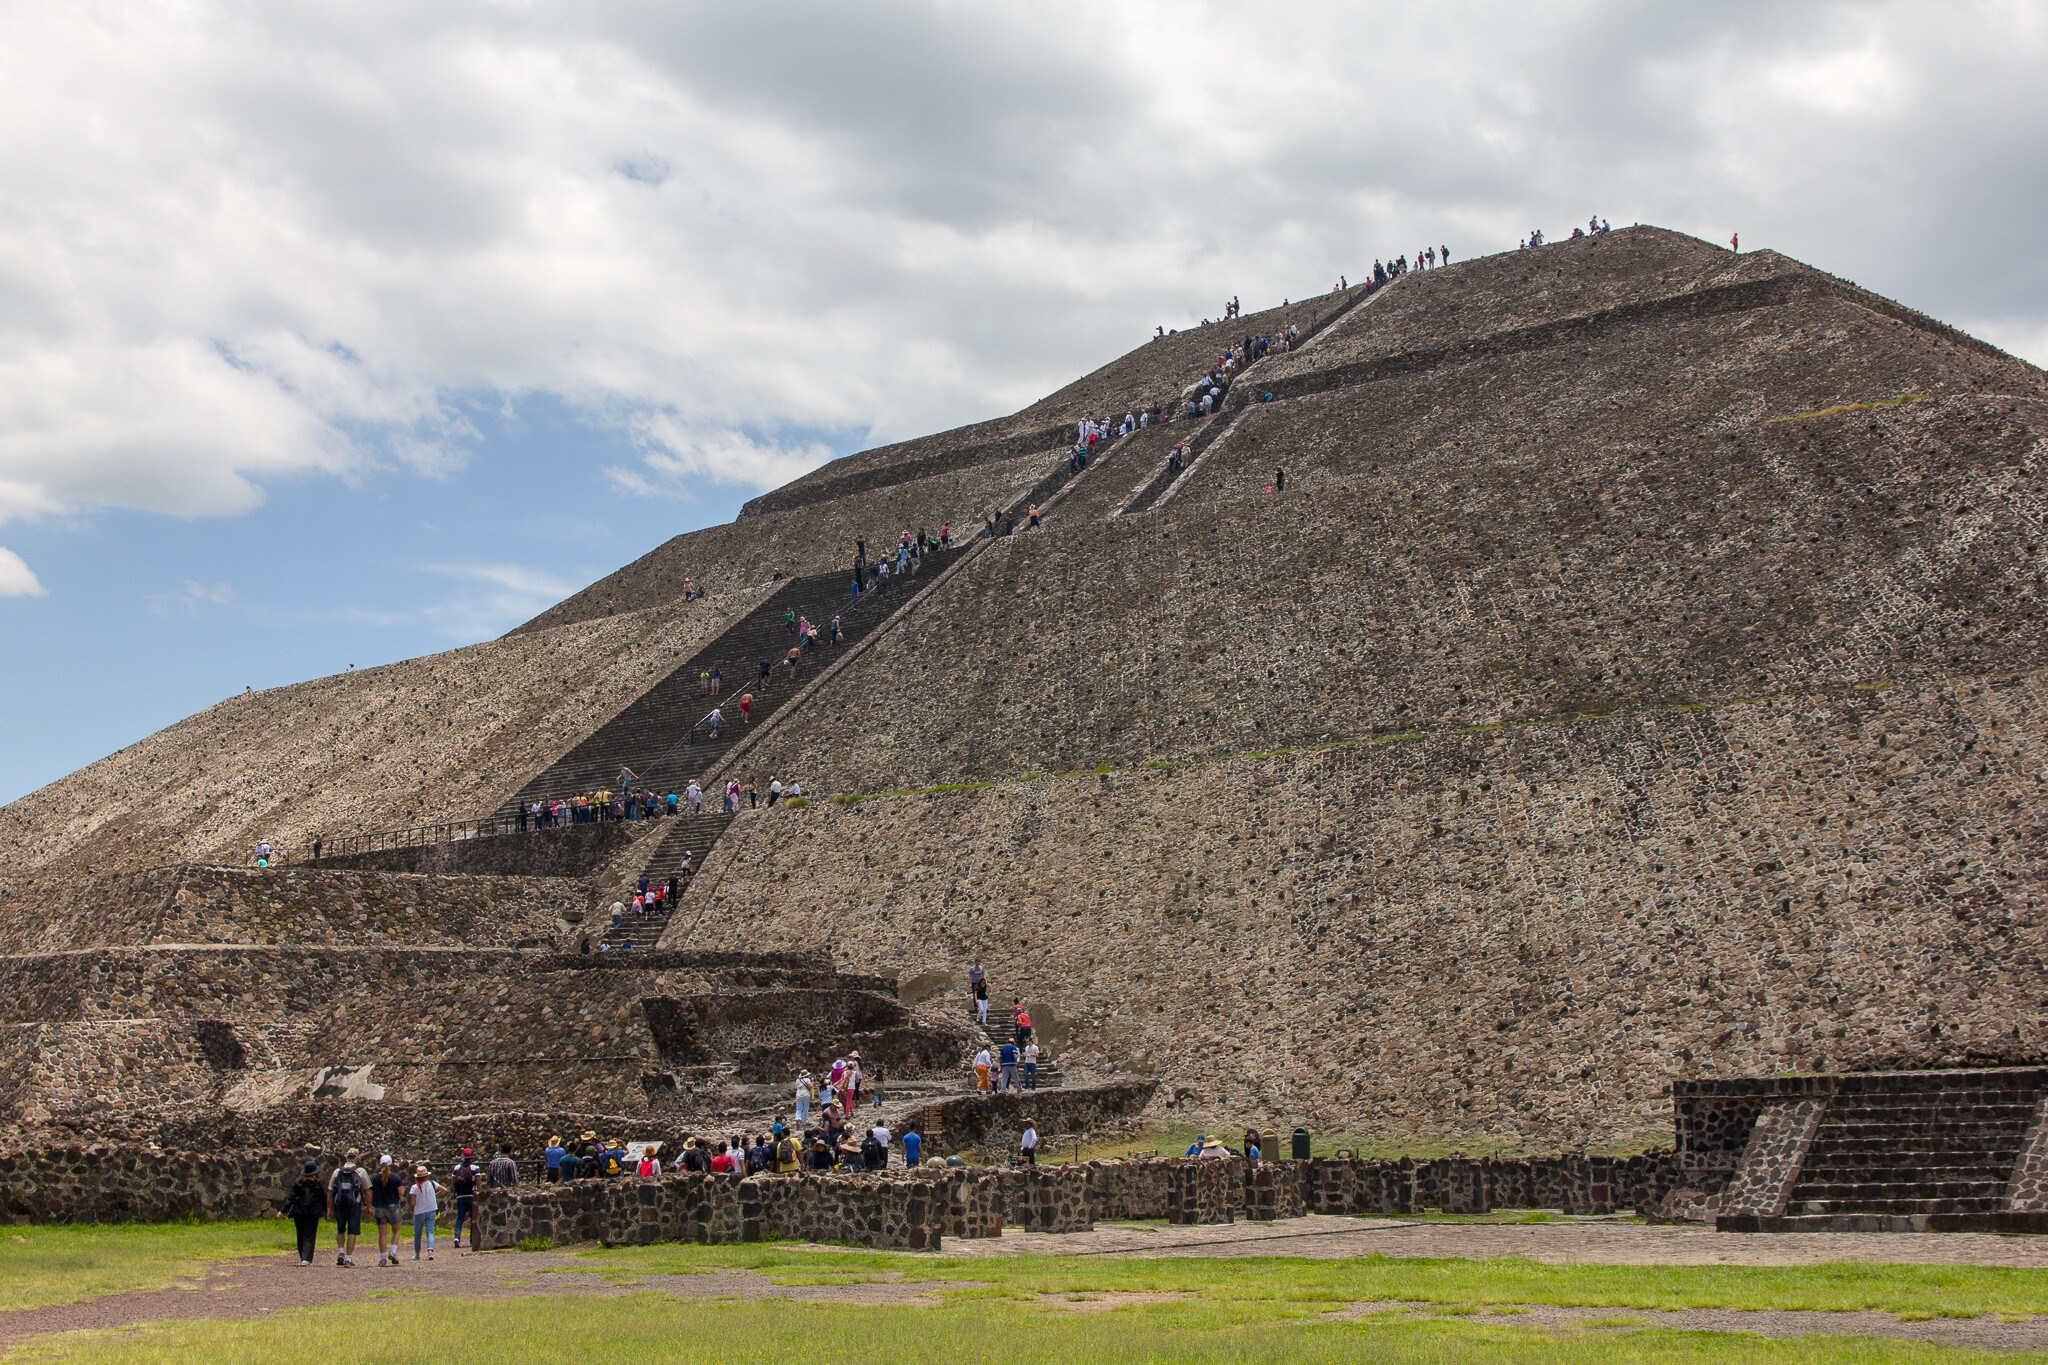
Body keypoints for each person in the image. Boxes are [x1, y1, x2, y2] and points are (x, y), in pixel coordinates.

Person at [284, 1160, 328, 1266]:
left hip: (299, 1212)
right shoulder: (318, 1184)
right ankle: (306, 1258)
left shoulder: (298, 1182)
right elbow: (323, 1198)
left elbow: (291, 1198)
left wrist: (283, 1210)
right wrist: (327, 1209)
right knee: (310, 1235)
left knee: (300, 1234)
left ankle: (302, 1257)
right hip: (313, 1213)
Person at [366, 1155, 405, 1268]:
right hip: (393, 1206)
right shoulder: (396, 1178)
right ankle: (392, 1251)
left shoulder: (374, 1178)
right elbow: (401, 1192)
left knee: (382, 1234)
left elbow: (370, 1193)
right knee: (396, 1230)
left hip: (379, 1207)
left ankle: (382, 1258)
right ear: (391, 1164)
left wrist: (369, 1206)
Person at [409, 1166, 441, 1261]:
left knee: (418, 1233)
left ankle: (417, 1254)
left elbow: (413, 1203)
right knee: (430, 1231)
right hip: (431, 1210)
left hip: (419, 1212)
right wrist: (435, 1195)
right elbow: (444, 1190)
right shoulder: (432, 1183)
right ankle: (430, 1252)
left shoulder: (414, 1187)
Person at [448, 1150, 479, 1249]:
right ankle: (472, 1239)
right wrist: (479, 1194)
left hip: (460, 1196)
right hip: (472, 1195)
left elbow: (453, 1182)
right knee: (473, 1218)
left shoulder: (457, 1168)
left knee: (460, 1217)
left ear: (463, 1157)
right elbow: (478, 1182)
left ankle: (457, 1237)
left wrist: (457, 1191)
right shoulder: (475, 1168)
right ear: (472, 1157)